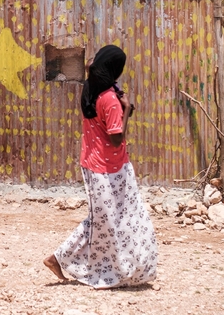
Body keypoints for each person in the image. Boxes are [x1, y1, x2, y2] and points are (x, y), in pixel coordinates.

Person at [43, 44, 158, 289]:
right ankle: (62, 258)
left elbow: (90, 70)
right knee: (116, 220)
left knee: (105, 220)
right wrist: (127, 110)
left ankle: (71, 261)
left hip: (94, 164)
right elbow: (116, 138)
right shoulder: (110, 100)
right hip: (110, 168)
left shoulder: (90, 89)